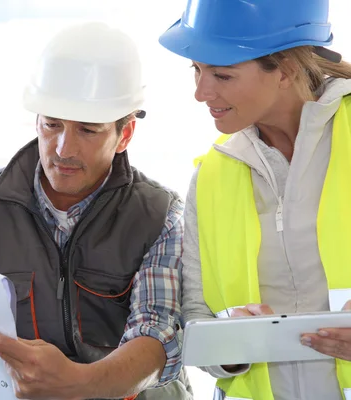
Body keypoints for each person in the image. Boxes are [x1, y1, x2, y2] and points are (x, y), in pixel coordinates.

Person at [0, 22, 193, 400]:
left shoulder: (159, 216)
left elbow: (157, 335)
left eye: (88, 130)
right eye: (52, 124)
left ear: (124, 135)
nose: (64, 148)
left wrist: (76, 385)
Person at [158, 0, 351, 399]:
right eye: (196, 70)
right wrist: (231, 341)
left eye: (222, 75)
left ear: (285, 69)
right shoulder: (212, 175)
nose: (200, 92)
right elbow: (196, 319)